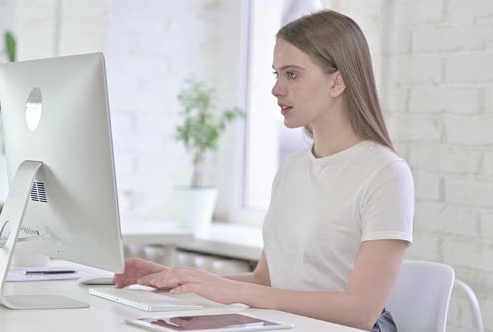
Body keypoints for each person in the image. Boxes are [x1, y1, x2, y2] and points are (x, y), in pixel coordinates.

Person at [113, 9, 414, 332]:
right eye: (276, 75)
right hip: (287, 325)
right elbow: (265, 280)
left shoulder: (385, 173)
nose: (277, 89)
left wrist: (240, 293)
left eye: (292, 74)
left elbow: (361, 311)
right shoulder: (293, 168)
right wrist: (176, 279)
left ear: (337, 81)